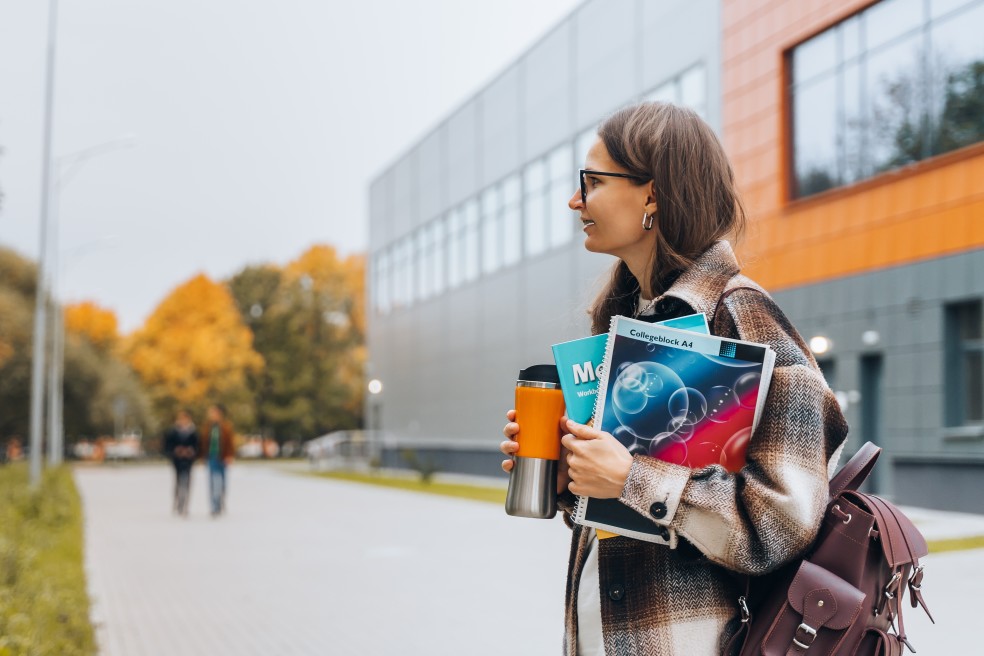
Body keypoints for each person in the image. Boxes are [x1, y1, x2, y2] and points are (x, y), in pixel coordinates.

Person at [500, 102, 848, 655]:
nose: (575, 201)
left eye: (590, 182)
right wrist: (574, 478)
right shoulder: (625, 323)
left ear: (652, 194)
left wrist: (630, 479)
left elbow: (786, 519)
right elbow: (634, 524)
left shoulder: (743, 316)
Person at [200, 404, 234, 517]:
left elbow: (230, 443)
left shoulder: (226, 427)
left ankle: (220, 500)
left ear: (219, 414)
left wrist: (229, 456)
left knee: (223, 484)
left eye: (214, 413)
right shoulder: (207, 427)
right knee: (213, 482)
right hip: (211, 457)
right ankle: (214, 506)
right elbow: (203, 443)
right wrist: (202, 457)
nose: (212, 415)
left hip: (222, 457)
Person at [163, 409, 199, 516]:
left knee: (187, 483)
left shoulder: (193, 432)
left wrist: (191, 451)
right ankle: (178, 503)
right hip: (177, 461)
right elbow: (167, 446)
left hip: (188, 461)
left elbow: (197, 446)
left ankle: (185, 504)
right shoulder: (173, 432)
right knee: (178, 483)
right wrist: (175, 451)